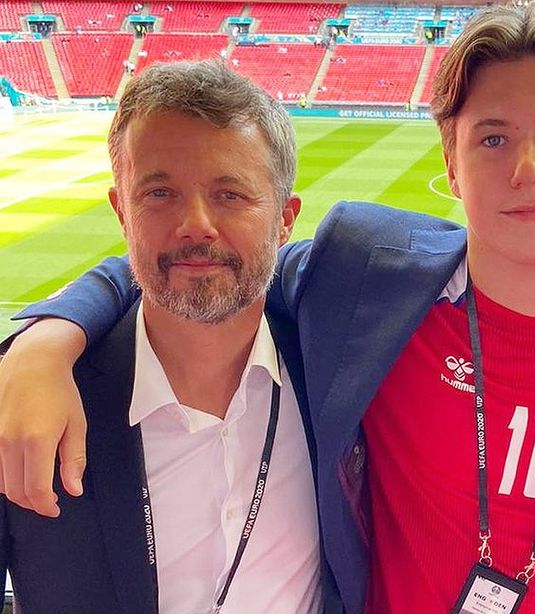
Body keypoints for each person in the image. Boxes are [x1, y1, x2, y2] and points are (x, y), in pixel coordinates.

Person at [0, 4, 535, 613]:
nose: (528, 168)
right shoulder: (368, 283)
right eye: (493, 138)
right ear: (450, 160)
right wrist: (45, 340)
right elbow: (194, 267)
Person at [0, 61, 326, 612]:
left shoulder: (337, 367)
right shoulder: (23, 403)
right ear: (121, 212)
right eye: (159, 193)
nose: (195, 224)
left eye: (230, 195)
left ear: (285, 219)